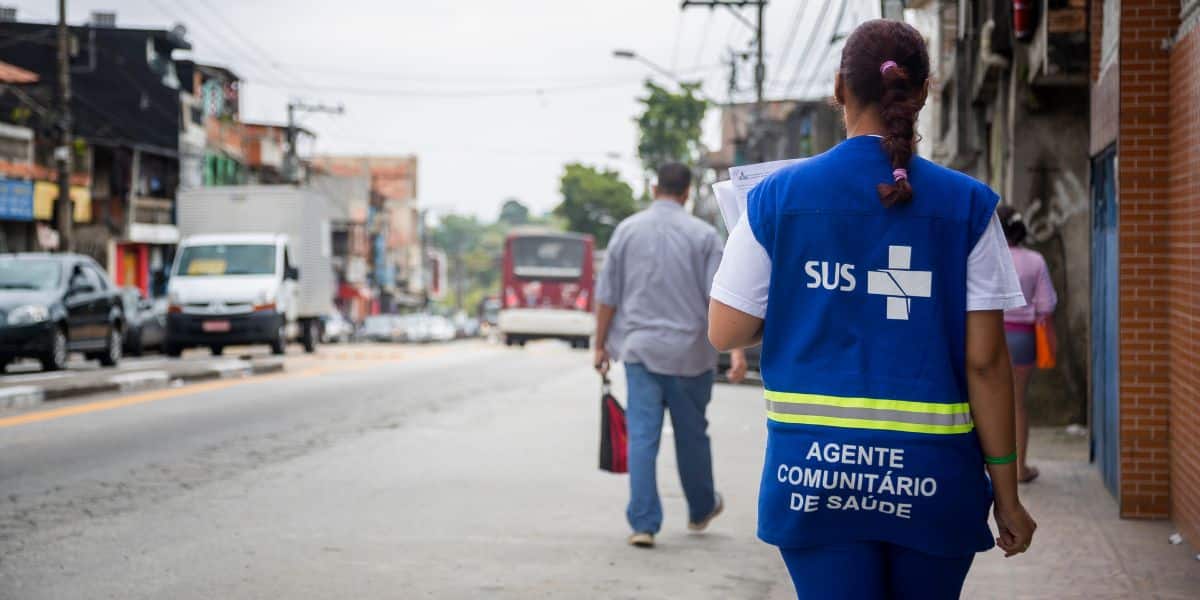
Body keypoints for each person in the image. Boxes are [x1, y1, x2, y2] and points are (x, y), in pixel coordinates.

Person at [706, 19, 1037, 599]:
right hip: (935, 478)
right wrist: (1006, 496)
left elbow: (724, 330)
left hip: (812, 475)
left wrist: (800, 283)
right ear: (924, 92)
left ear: (839, 90)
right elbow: (987, 364)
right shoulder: (968, 206)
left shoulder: (777, 198)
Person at [594, 162, 748, 549]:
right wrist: (738, 352)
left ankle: (644, 523)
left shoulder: (626, 232)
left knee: (643, 436)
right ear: (687, 193)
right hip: (691, 355)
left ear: (653, 187)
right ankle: (700, 509)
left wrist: (599, 345)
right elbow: (722, 298)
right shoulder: (704, 236)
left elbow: (607, 296)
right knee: (692, 434)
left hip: (640, 350)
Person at [997, 205, 1058, 484]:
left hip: (989, 336)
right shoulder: (1036, 260)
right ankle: (1020, 469)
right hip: (1023, 338)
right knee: (1018, 403)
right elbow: (1045, 306)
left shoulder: (987, 258)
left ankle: (988, 469)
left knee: (985, 400)